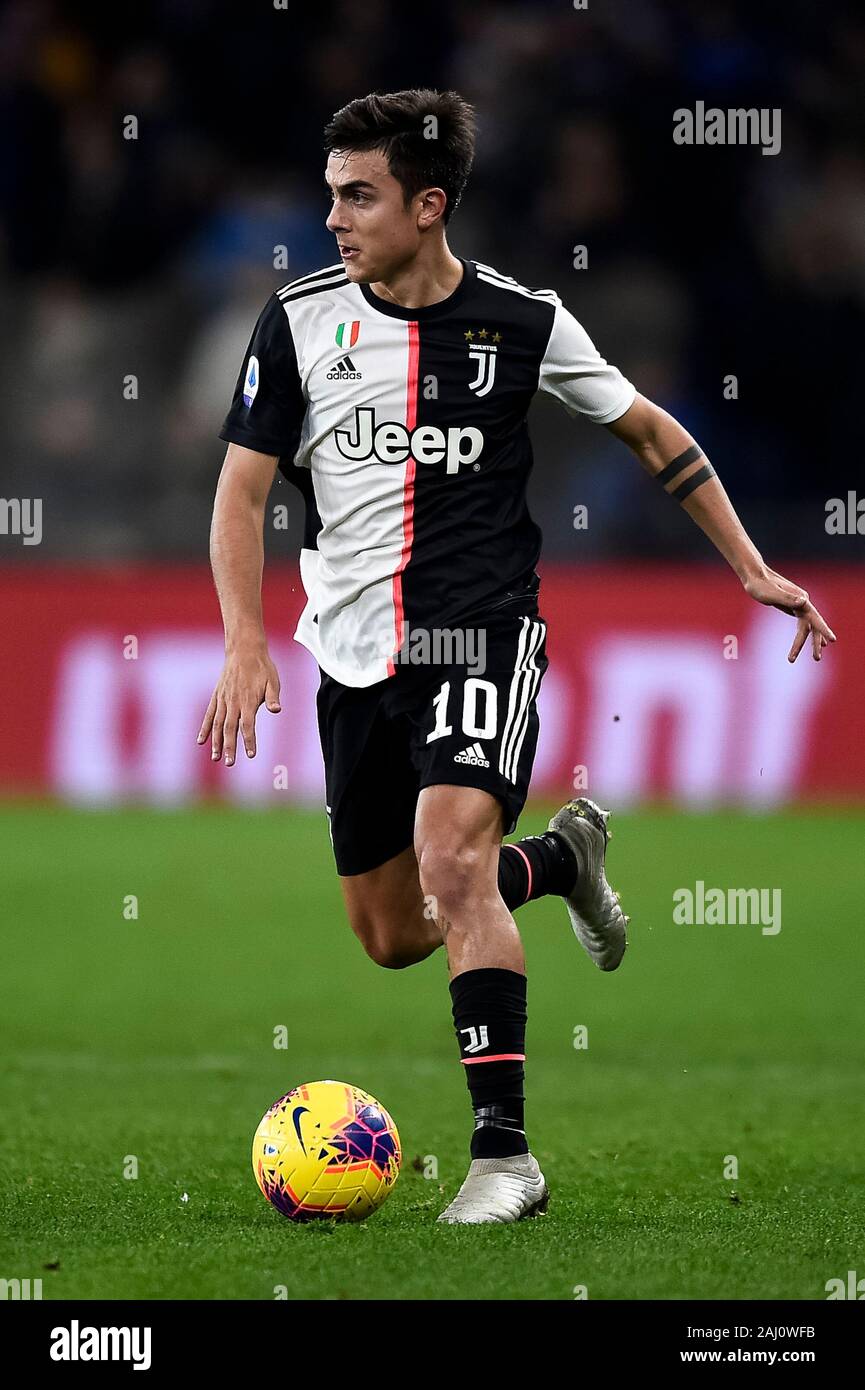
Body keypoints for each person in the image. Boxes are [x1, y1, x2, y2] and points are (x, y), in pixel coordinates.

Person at [199, 89, 835, 1224]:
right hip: (351, 658)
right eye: (331, 193)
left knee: (449, 861)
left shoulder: (523, 323)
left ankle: (506, 1159)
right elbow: (242, 490)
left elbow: (652, 431)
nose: (334, 217)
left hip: (484, 634)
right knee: (394, 931)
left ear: (428, 204)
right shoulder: (294, 322)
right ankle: (560, 864)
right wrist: (246, 638)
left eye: (360, 195)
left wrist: (745, 565)